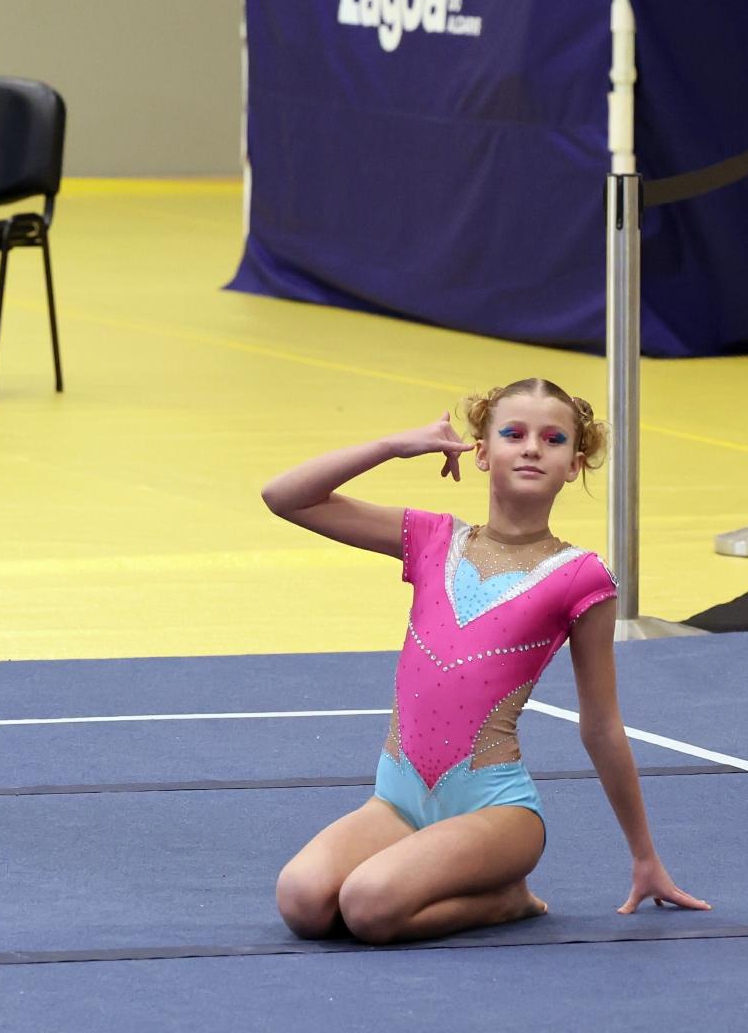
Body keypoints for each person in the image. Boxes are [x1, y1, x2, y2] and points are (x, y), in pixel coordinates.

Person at [263, 379, 708, 944]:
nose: (531, 448)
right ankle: (442, 875)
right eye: (513, 434)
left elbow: (600, 725)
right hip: (398, 802)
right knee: (302, 901)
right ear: (480, 452)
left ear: (574, 464)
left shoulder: (581, 576)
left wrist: (644, 856)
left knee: (368, 907)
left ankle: (506, 900)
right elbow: (285, 497)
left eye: (553, 439)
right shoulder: (433, 539)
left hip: (497, 812)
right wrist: (393, 446)